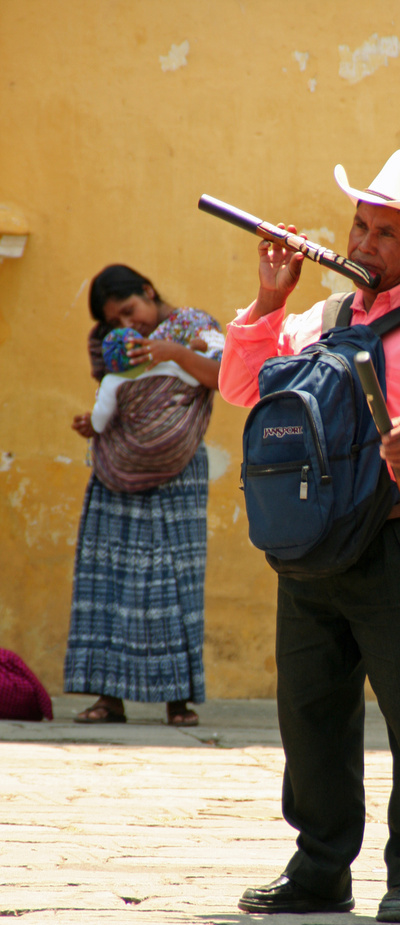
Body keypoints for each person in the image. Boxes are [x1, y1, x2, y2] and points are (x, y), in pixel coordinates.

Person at [219, 150, 400, 921]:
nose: (366, 242)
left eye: (386, 232)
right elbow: (246, 391)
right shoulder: (318, 318)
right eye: (360, 225)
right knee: (309, 710)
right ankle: (319, 868)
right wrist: (267, 303)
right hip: (314, 543)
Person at [64, 265, 224, 727]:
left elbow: (222, 377)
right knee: (108, 578)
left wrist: (170, 351)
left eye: (130, 311)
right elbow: (112, 395)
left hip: (179, 474)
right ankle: (108, 700)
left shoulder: (194, 326)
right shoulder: (116, 345)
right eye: (116, 320)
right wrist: (89, 423)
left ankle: (179, 701)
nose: (126, 325)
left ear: (149, 291)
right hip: (116, 468)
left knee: (174, 582)